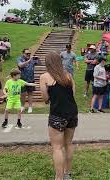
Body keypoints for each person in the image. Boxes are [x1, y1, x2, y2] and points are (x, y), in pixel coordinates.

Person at [40, 52, 78, 180]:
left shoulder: (44, 77)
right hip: (72, 112)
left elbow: (45, 98)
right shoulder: (68, 75)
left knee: (57, 147)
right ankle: (68, 173)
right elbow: (73, 93)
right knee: (68, 144)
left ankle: (59, 177)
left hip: (57, 114)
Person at [17, 49, 39, 113]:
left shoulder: (32, 59)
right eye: (27, 53)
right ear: (23, 53)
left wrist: (37, 59)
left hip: (31, 79)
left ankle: (30, 107)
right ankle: (22, 106)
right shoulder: (20, 59)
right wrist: (29, 60)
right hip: (22, 79)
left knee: (30, 94)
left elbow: (39, 63)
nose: (28, 54)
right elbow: (20, 65)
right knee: (23, 94)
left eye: (29, 53)